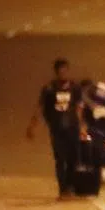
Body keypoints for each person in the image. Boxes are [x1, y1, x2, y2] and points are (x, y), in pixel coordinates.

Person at [27, 58, 85, 200]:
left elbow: (79, 108)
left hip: (72, 127)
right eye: (60, 71)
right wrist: (32, 126)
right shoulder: (49, 89)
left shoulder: (75, 87)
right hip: (57, 128)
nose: (63, 73)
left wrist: (82, 127)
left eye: (65, 70)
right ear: (56, 72)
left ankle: (70, 186)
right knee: (60, 158)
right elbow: (40, 107)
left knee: (73, 159)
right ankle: (63, 189)